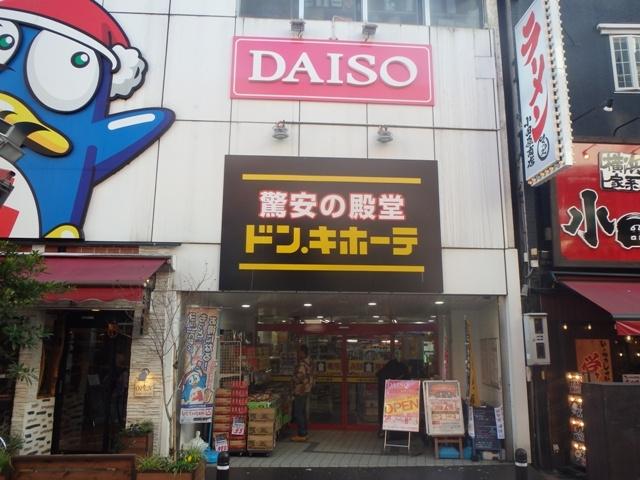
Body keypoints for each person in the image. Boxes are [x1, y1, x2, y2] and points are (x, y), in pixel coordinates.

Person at [376, 352, 409, 437]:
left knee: (385, 412)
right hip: (399, 396)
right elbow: (407, 378)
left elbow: (378, 375)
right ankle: (400, 431)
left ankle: (384, 431)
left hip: (385, 395)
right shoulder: (401, 368)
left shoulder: (387, 368)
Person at [291, 344, 313, 442]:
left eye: (299, 352)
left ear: (303, 352)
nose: (298, 353)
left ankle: (302, 433)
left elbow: (300, 377)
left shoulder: (302, 364)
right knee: (302, 412)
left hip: (300, 390)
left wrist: (293, 379)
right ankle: (305, 432)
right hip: (307, 389)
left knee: (298, 412)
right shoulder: (310, 362)